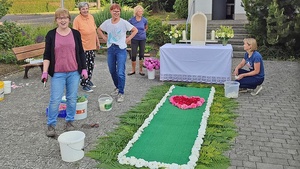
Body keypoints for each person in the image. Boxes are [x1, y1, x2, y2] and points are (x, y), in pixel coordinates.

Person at [41, 8, 88, 137]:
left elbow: (80, 52)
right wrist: (45, 72)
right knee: (55, 100)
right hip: (58, 74)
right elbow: (47, 55)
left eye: (65, 17)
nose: (63, 20)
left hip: (74, 73)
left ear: (69, 19)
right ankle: (51, 125)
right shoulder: (51, 35)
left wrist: (83, 68)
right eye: (59, 18)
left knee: (72, 99)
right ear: (56, 20)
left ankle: (69, 122)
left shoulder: (75, 34)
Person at [97, 3, 138, 102]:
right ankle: (117, 87)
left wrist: (128, 39)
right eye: (114, 11)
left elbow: (135, 30)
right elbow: (99, 29)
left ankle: (121, 92)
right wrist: (104, 37)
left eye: (118, 11)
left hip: (121, 49)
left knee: (120, 72)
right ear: (111, 12)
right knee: (112, 70)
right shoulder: (107, 23)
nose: (116, 13)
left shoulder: (123, 23)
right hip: (111, 49)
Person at [73, 2, 100, 92]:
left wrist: (97, 42)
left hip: (91, 45)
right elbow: (75, 35)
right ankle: (84, 83)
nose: (85, 10)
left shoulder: (91, 17)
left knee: (91, 65)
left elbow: (94, 30)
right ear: (80, 10)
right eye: (83, 9)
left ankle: (88, 80)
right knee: (84, 66)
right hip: (83, 47)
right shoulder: (77, 20)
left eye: (86, 8)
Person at [127, 5, 148, 76]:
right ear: (136, 12)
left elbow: (145, 28)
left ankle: (141, 70)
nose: (141, 12)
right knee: (133, 55)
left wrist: (143, 33)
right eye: (139, 11)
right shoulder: (131, 20)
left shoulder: (144, 20)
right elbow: (128, 28)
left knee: (141, 54)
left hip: (142, 39)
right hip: (134, 39)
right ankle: (133, 70)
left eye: (142, 11)